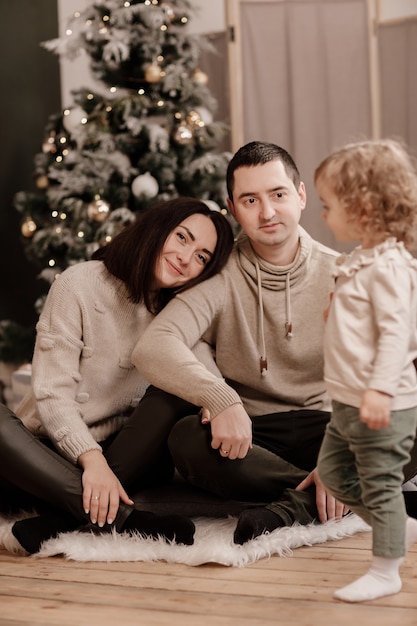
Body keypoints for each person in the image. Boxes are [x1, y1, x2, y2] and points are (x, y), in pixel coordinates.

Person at [134, 140, 417, 545]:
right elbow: (154, 344)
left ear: (300, 196)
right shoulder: (219, 278)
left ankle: (294, 507)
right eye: (250, 199)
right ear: (232, 208)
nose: (266, 212)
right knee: (185, 438)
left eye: (278, 194)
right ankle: (343, 493)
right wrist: (221, 397)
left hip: (331, 426)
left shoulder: (344, 272)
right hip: (254, 437)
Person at [0, 197, 234, 554]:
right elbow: (51, 394)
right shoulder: (78, 283)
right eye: (182, 238)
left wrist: (217, 403)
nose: (187, 258)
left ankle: (76, 513)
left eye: (202, 256)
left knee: (175, 394)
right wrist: (90, 461)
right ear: (157, 228)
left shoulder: (178, 312)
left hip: (122, 458)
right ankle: (127, 518)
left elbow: (203, 375)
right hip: (49, 455)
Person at [314, 139, 417, 602]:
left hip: (381, 403)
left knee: (379, 484)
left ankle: (385, 569)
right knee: (333, 475)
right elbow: (365, 323)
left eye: (327, 205)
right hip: (346, 400)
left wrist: (380, 390)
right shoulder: (361, 260)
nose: (322, 215)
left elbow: (398, 335)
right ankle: (398, 525)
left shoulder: (390, 266)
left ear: (361, 208)